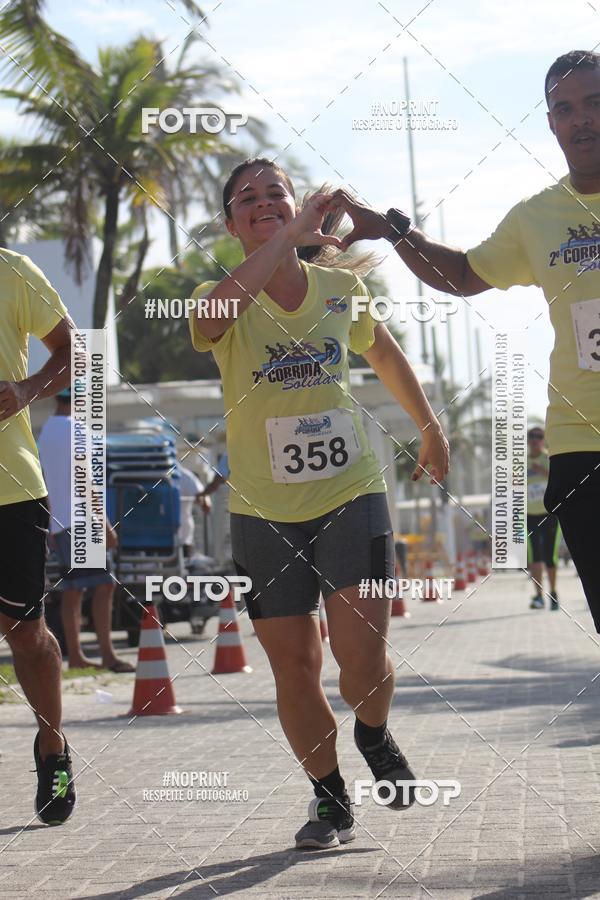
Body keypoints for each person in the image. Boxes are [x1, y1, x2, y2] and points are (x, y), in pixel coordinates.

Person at [188, 158, 449, 849]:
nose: (264, 201)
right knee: (295, 668)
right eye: (248, 198)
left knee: (361, 661)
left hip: (350, 492)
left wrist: (430, 427)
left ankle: (372, 730)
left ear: (294, 204)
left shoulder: (340, 289)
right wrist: (293, 232)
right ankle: (329, 798)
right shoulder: (223, 298)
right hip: (262, 510)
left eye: (276, 192)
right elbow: (213, 320)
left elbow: (387, 358)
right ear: (231, 223)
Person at [332, 50, 600, 633]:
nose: (582, 119)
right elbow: (463, 274)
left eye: (594, 103)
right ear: (551, 124)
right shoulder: (538, 217)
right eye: (565, 108)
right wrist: (394, 230)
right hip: (582, 446)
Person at [0, 249, 76, 824]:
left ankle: (52, 746)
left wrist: (27, 389)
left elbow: (76, 353)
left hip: (12, 489)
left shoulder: (13, 270)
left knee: (26, 635)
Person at [37, 388, 134, 672]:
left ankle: (77, 656)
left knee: (73, 590)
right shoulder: (77, 430)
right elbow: (85, 480)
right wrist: (105, 524)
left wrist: (51, 525)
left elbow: (45, 479)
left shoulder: (46, 432)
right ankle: (107, 654)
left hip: (61, 521)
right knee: (105, 585)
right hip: (82, 520)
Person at [526, 426, 561, 610]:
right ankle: (539, 595)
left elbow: (560, 480)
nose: (534, 440)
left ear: (543, 440)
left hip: (549, 515)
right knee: (535, 558)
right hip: (530, 516)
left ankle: (553, 593)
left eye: (538, 437)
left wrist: (543, 472)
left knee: (550, 557)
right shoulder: (521, 462)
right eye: (531, 437)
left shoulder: (549, 458)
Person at [176, 460, 211, 557]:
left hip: (178, 534)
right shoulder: (186, 476)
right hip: (182, 532)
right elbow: (205, 502)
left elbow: (203, 499)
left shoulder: (185, 476)